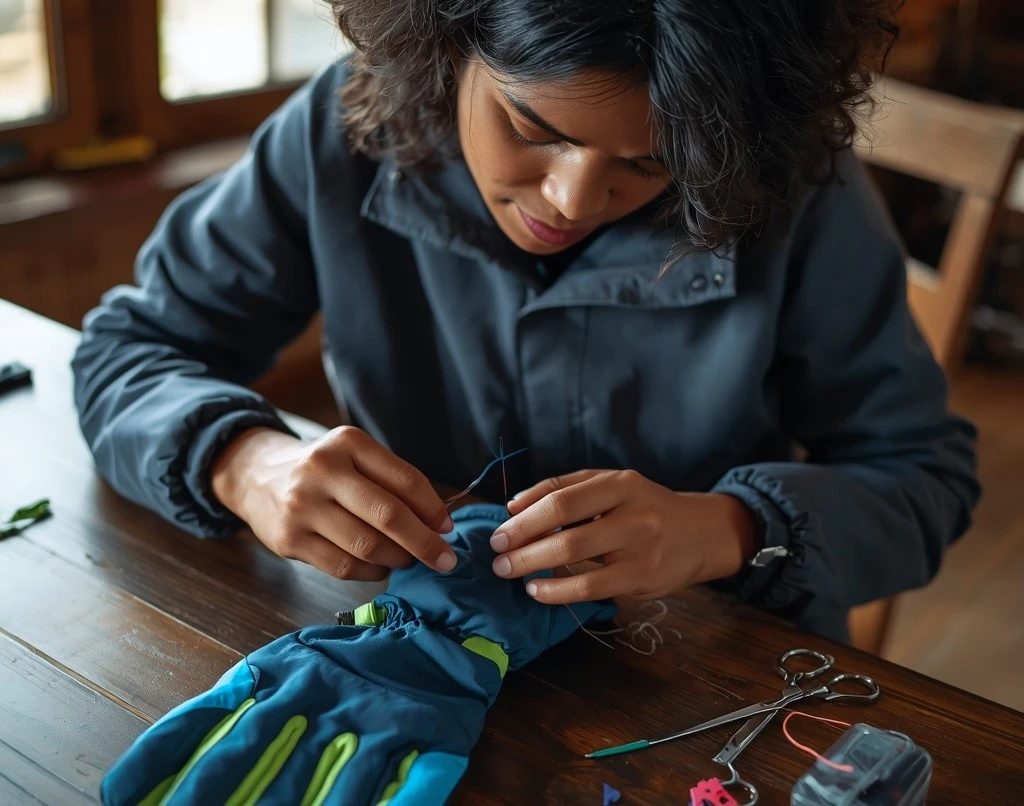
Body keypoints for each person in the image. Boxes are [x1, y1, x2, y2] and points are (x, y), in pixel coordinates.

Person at [71, 0, 981, 644]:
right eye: (532, 125)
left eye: (652, 163)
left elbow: (922, 479)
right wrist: (243, 461)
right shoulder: (339, 131)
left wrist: (722, 529)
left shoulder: (797, 196)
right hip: (415, 635)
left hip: (707, 663)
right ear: (447, 38)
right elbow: (131, 350)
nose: (574, 197)